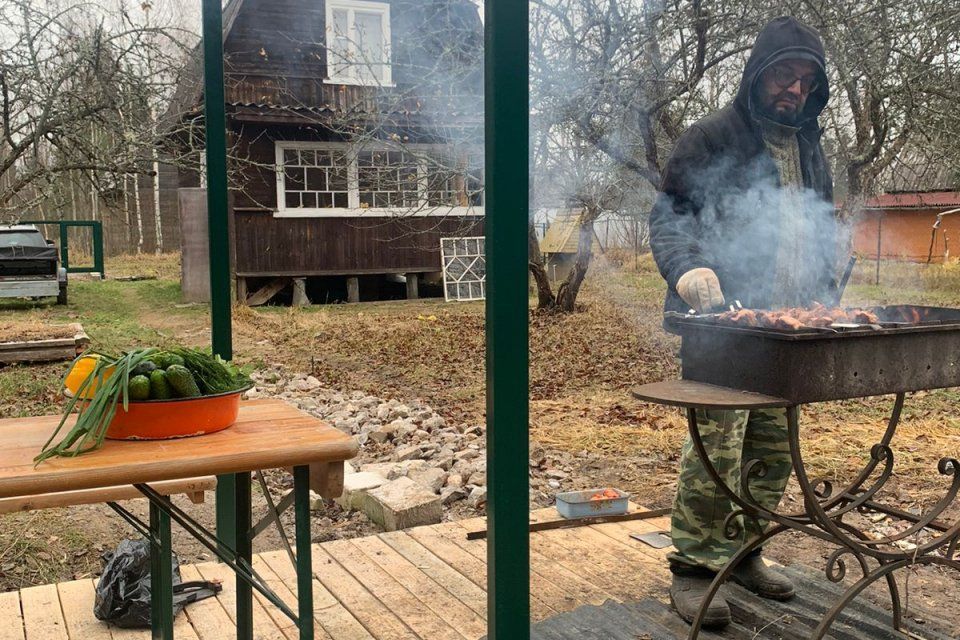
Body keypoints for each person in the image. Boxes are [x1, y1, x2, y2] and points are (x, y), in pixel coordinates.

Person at [648, 16, 838, 629]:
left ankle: (747, 552)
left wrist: (828, 282)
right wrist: (688, 270)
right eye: (785, 73)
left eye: (806, 79)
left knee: (773, 448)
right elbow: (670, 217)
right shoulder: (711, 137)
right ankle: (696, 569)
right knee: (717, 448)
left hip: (789, 328)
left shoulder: (810, 146)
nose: (795, 89)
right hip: (722, 325)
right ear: (758, 73)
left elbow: (819, 221)